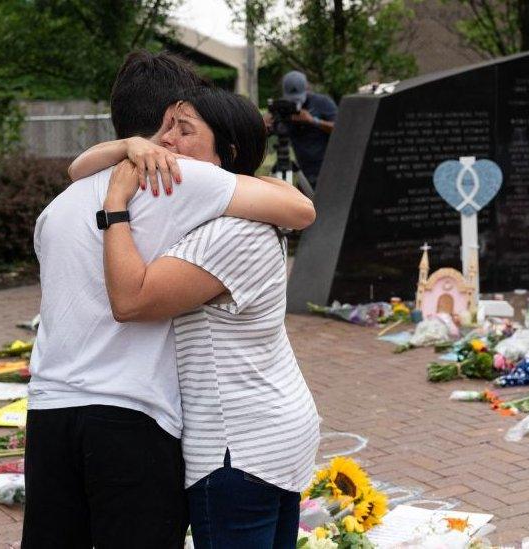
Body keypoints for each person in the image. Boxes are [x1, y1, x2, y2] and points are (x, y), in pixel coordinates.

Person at [23, 51, 314, 549]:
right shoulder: (178, 180)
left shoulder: (57, 206)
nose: (177, 139)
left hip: (49, 411)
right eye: (177, 124)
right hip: (132, 416)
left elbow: (77, 167)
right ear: (164, 124)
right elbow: (301, 208)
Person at [99, 86, 319, 548]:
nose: (167, 141)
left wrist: (114, 207)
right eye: (168, 127)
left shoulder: (228, 233)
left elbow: (131, 301)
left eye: (185, 130)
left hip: (238, 448)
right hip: (270, 428)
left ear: (227, 153)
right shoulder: (247, 210)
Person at [266, 70, 337, 187]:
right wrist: (263, 125)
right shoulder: (283, 108)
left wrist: (313, 120)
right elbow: (266, 133)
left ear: (307, 88)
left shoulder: (323, 103)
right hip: (303, 171)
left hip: (326, 171)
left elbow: (340, 130)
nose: (295, 103)